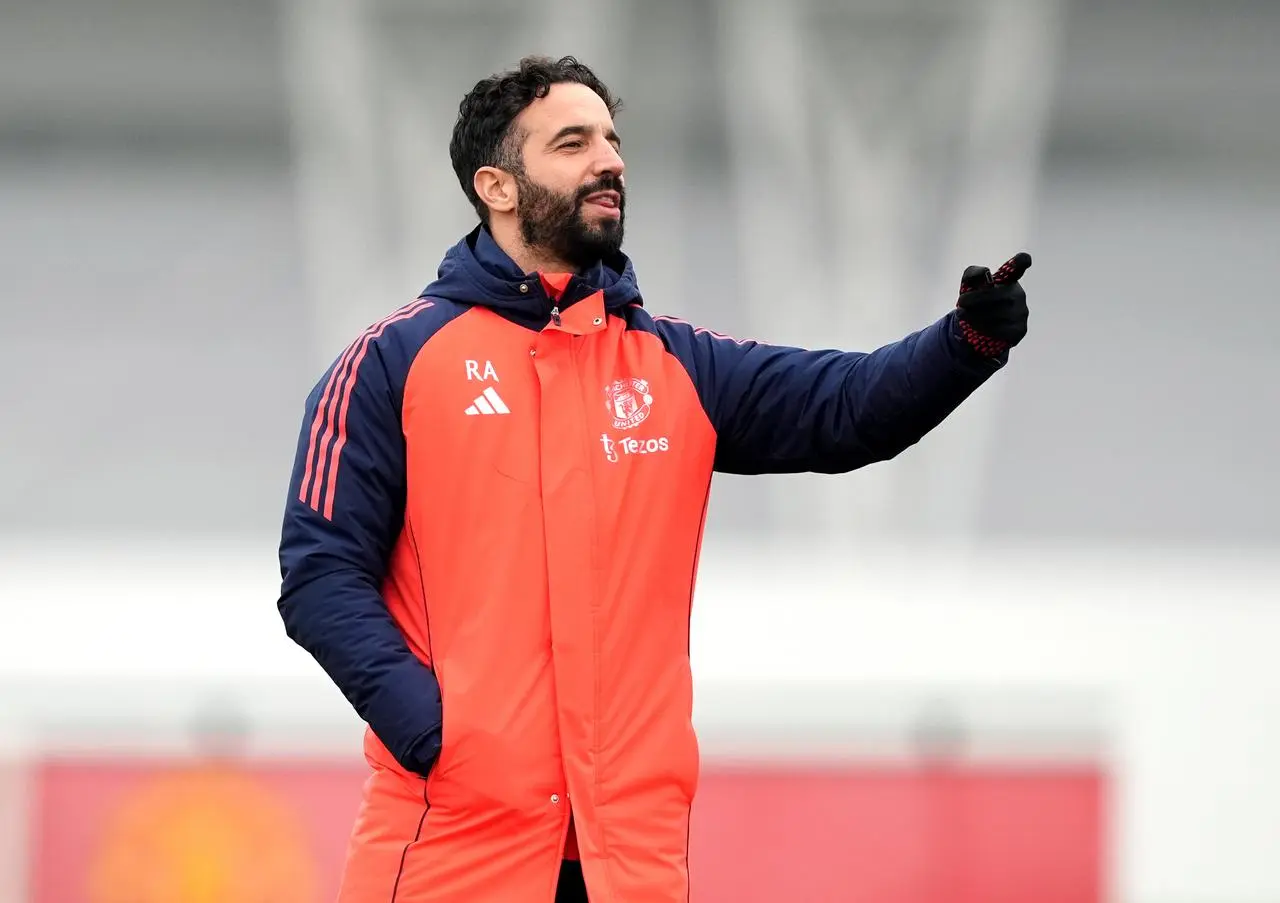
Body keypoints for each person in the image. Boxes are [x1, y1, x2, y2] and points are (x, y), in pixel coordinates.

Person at [277, 54, 1032, 903]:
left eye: (612, 138)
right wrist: (437, 733)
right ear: (496, 185)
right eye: (573, 142)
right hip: (450, 858)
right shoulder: (392, 363)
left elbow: (850, 408)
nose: (610, 159)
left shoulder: (678, 365)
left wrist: (965, 341)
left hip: (627, 866)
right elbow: (319, 577)